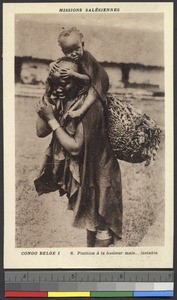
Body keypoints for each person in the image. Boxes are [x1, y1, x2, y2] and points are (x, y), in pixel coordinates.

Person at [35, 57, 122, 247]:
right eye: (54, 81)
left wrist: (52, 119)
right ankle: (92, 263)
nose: (59, 87)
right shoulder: (64, 98)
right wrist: (48, 94)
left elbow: (75, 147)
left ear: (80, 81)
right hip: (85, 169)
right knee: (91, 222)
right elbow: (41, 132)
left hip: (99, 171)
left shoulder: (88, 107)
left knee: (101, 223)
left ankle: (100, 266)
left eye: (64, 81)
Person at [44, 26, 109, 122]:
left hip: (97, 80)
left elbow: (89, 79)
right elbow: (60, 62)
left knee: (93, 92)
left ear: (82, 45)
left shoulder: (87, 59)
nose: (74, 54)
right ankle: (47, 97)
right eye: (68, 52)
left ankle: (81, 111)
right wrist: (52, 64)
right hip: (83, 83)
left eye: (77, 49)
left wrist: (73, 74)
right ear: (63, 51)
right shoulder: (69, 59)